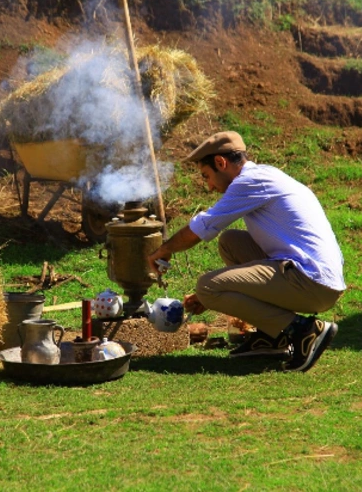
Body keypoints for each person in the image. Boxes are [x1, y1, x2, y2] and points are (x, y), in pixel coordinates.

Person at [147, 131, 346, 372]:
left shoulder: (249, 182)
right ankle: (273, 336)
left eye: (207, 176)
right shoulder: (264, 174)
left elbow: (204, 226)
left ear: (221, 163)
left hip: (312, 282)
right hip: (311, 274)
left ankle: (303, 330)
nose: (209, 186)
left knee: (208, 287)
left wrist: (165, 249)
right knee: (230, 242)